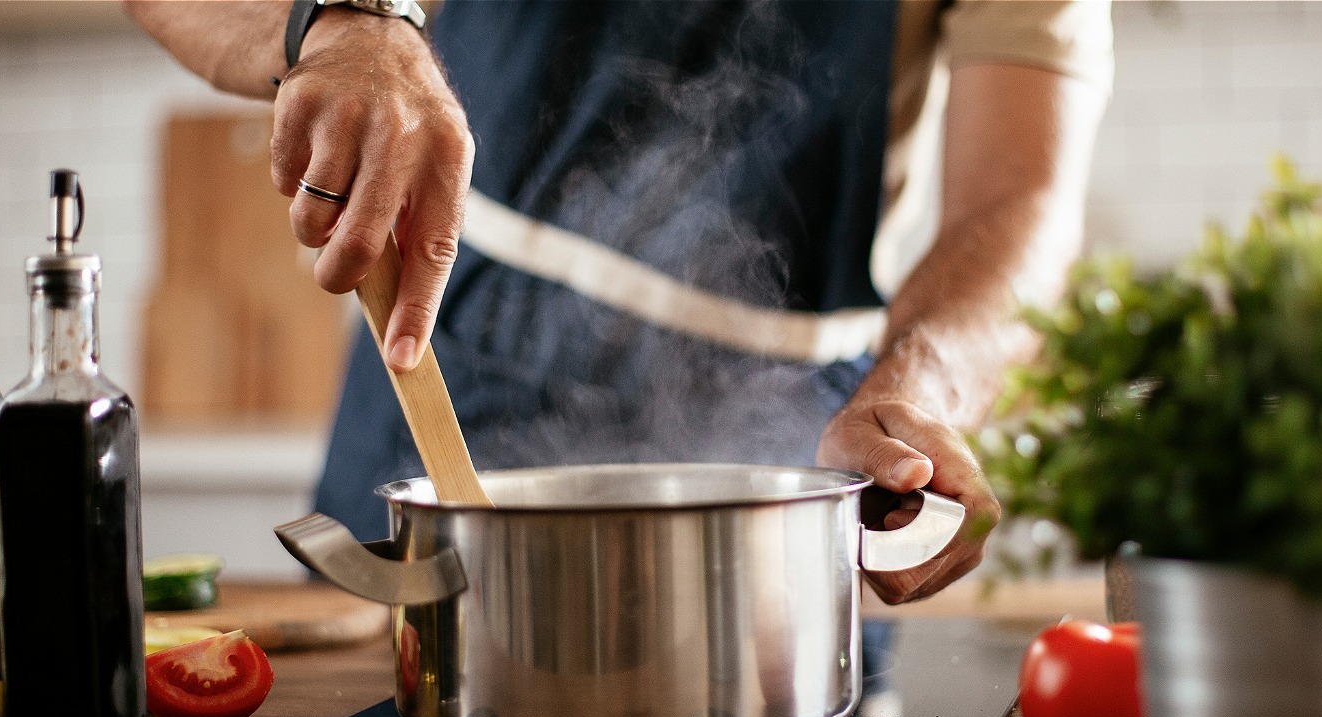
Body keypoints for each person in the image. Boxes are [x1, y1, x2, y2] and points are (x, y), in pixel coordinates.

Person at [125, 0, 1111, 605]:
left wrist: (926, 389)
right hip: (456, 383)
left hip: (798, 441)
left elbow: (1018, 196)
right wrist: (337, 18)